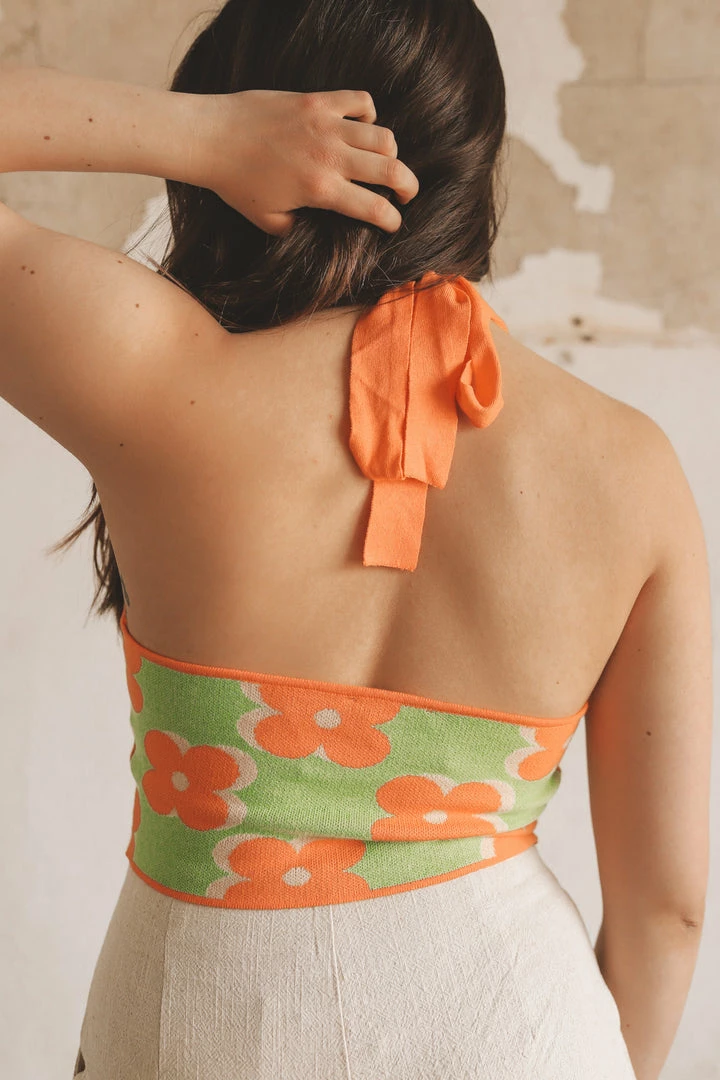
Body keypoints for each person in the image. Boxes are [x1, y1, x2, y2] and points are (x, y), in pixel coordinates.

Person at [0, 2, 711, 1079]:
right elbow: (669, 909)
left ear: (259, 123)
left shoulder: (158, 376)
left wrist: (197, 134)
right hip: (519, 1029)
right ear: (476, 160)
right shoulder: (632, 465)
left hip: (191, 1026)